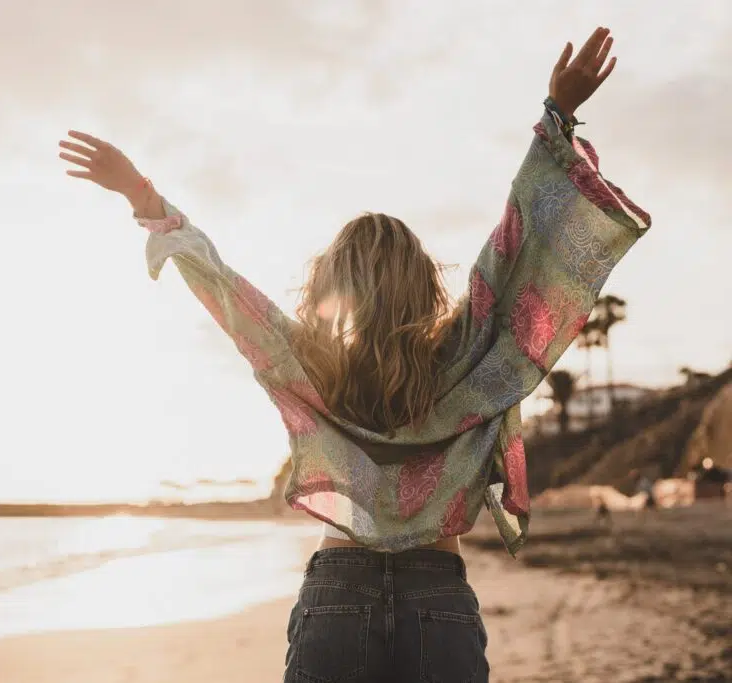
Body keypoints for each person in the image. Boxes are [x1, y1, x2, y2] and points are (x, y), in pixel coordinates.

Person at [60, 26, 649, 683]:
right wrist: (557, 115)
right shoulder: (466, 354)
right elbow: (519, 242)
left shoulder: (313, 367)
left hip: (336, 594)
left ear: (331, 287)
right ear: (426, 283)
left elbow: (227, 293)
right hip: (439, 598)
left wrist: (145, 198)